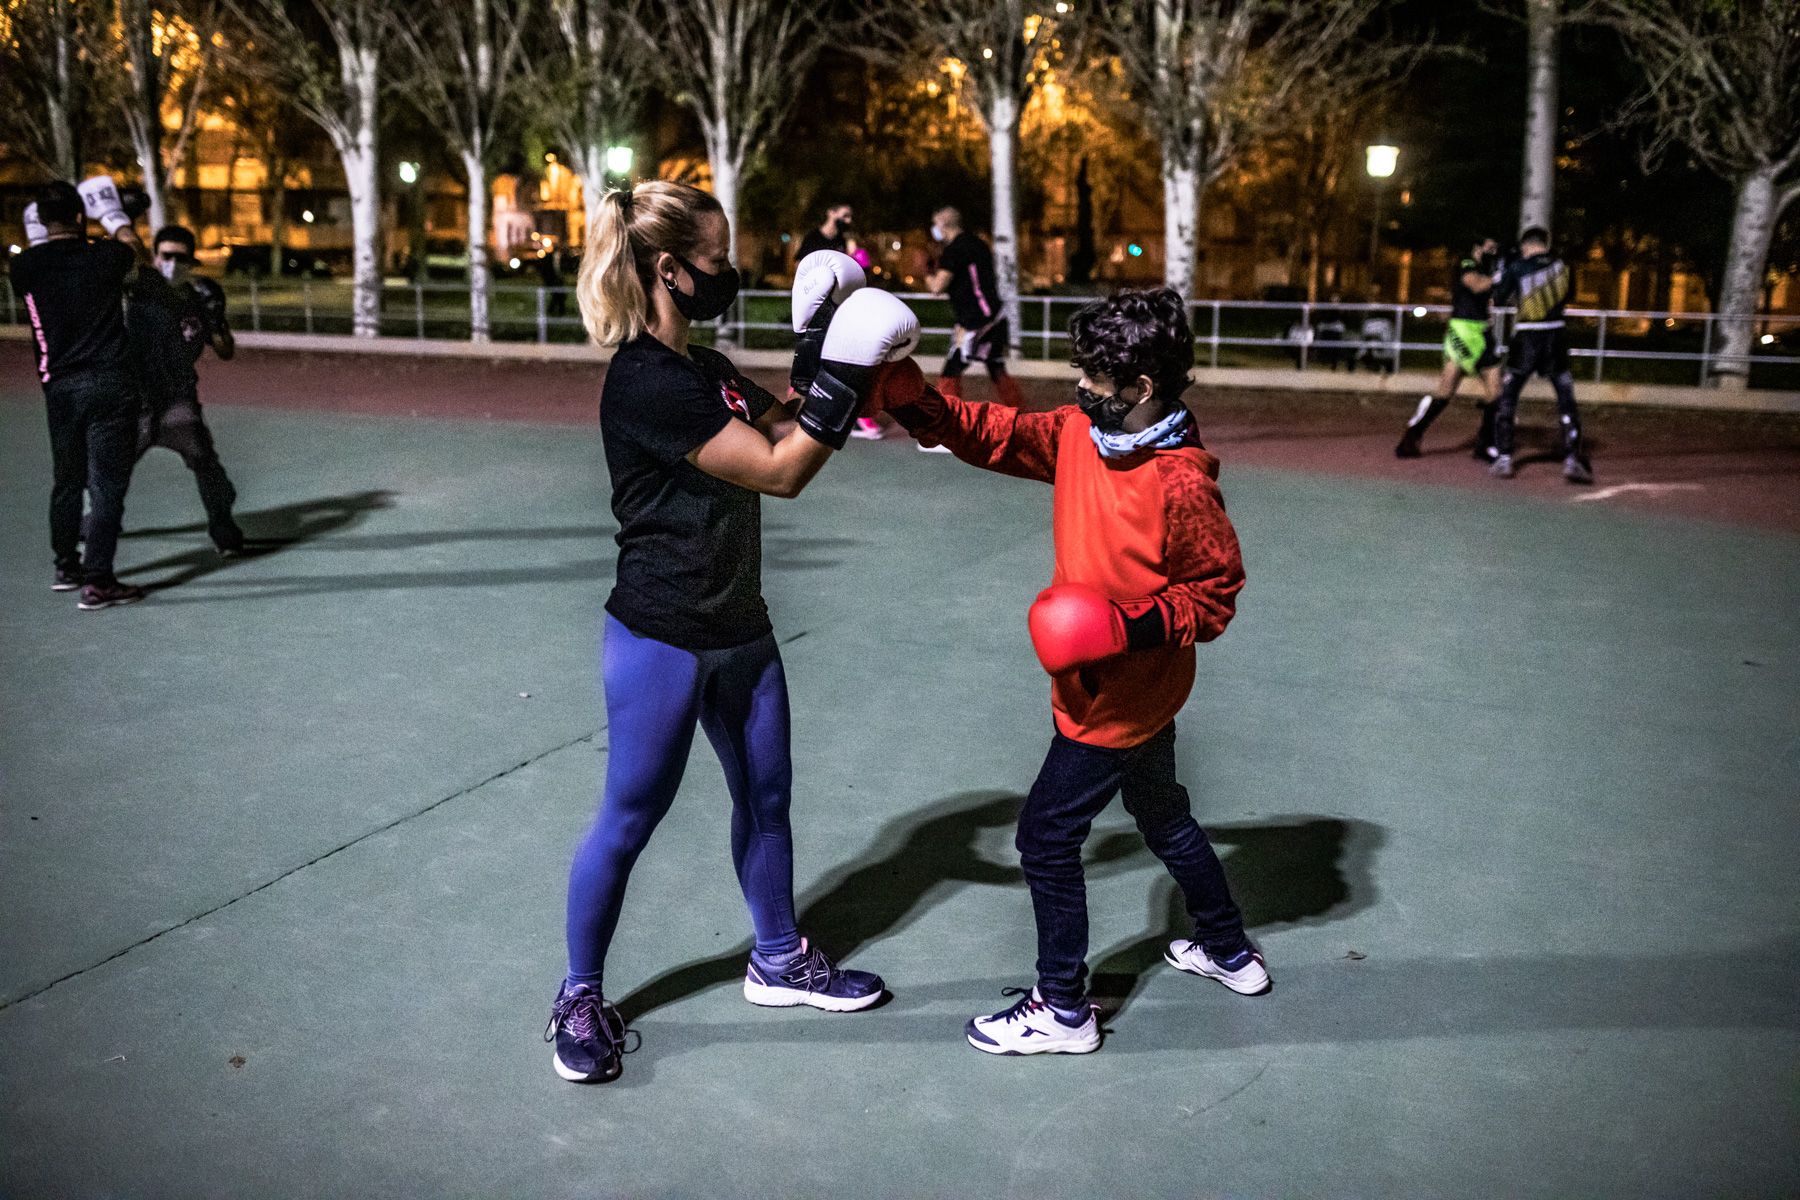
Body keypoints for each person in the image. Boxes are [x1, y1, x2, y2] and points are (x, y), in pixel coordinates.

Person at [546, 182, 911, 1085]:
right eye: (716, 262)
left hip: (740, 625)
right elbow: (781, 471)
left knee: (769, 798)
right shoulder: (645, 382)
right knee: (630, 818)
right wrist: (847, 377)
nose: (730, 274)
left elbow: (781, 422)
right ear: (669, 269)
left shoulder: (702, 368)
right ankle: (577, 993)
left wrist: (820, 355)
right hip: (663, 636)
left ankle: (778, 956)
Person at [872, 287, 1265, 1056]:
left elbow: (1214, 597)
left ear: (1143, 388)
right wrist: (911, 396)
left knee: (1046, 838)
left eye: (1095, 379)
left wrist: (1121, 624)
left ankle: (1063, 1009)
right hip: (1130, 698)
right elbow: (995, 433)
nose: (1080, 389)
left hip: (1117, 698)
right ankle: (1228, 950)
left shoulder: (1181, 481)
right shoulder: (1081, 433)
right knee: (1164, 815)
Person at [11, 177, 151, 610]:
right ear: (79, 215)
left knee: (66, 481)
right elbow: (138, 254)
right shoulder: (105, 256)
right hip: (109, 382)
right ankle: (99, 580)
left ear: (41, 219)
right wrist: (112, 217)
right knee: (106, 487)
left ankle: (66, 567)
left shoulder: (25, 267)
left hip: (60, 388)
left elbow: (40, 259)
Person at [126, 224, 245, 555]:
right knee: (109, 472)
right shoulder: (137, 295)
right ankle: (92, 524)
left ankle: (224, 528)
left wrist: (217, 319)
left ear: (191, 260)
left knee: (206, 464)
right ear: (155, 255)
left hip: (179, 400)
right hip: (135, 402)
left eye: (180, 257)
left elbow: (225, 351)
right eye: (166, 256)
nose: (172, 263)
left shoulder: (197, 302)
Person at [1489, 227, 1593, 484]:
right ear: (1545, 244)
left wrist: (1501, 275)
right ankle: (1572, 459)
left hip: (1526, 337)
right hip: (1556, 336)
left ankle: (1504, 458)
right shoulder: (1564, 266)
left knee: (1509, 397)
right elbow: (1570, 295)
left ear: (1526, 245)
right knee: (1565, 397)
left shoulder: (1517, 266)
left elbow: (1499, 300)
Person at [1396, 237, 1504, 460]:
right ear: (1477, 246)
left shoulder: (1486, 267)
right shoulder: (1467, 263)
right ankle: (1412, 436)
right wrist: (1500, 277)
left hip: (1481, 332)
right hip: (1463, 333)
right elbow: (1475, 284)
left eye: (1496, 248)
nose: (1493, 252)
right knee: (1446, 391)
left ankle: (1483, 445)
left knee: (1496, 391)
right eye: (1489, 247)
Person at [924, 206, 1025, 426]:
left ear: (943, 224)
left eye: (935, 224)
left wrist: (927, 272)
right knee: (995, 366)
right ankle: (1023, 417)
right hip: (994, 314)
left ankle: (945, 425)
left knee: (951, 369)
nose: (934, 229)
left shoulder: (954, 250)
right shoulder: (978, 243)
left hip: (976, 320)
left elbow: (937, 287)